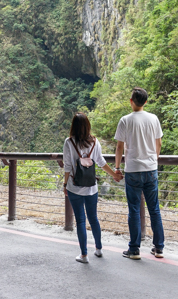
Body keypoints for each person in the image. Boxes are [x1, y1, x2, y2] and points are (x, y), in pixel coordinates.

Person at [64, 112, 123, 264]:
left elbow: (68, 166)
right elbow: (101, 162)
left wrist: (65, 184)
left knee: (81, 221)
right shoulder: (95, 142)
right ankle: (98, 249)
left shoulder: (69, 142)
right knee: (93, 218)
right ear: (88, 126)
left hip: (75, 188)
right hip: (91, 188)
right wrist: (114, 175)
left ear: (73, 127)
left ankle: (84, 255)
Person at [114, 87, 165, 260]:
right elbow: (158, 143)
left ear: (131, 101)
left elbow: (120, 147)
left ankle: (134, 250)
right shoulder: (154, 119)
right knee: (154, 210)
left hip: (133, 170)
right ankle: (159, 248)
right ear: (146, 102)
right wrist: (154, 160)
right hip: (151, 169)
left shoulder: (125, 120)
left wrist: (117, 168)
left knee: (134, 210)